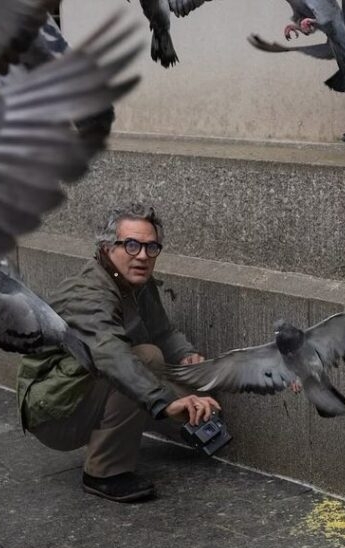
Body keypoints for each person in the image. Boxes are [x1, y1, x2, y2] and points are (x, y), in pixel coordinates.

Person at [16, 203, 220, 503]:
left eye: (152, 247)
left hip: (78, 387)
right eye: (132, 245)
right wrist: (167, 402)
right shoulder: (88, 294)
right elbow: (115, 358)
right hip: (51, 411)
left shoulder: (136, 282)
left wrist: (187, 355)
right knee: (137, 363)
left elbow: (162, 331)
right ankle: (104, 473)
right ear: (107, 247)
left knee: (150, 355)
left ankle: (184, 427)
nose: (142, 256)